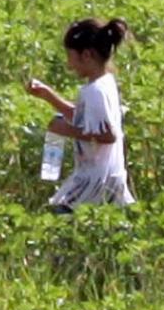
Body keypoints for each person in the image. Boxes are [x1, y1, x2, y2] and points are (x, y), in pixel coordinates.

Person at [26, 18, 137, 212]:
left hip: (96, 182)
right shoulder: (104, 83)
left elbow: (108, 135)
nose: (69, 65)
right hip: (104, 178)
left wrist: (67, 130)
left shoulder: (96, 91)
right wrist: (48, 96)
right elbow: (85, 119)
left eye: (71, 57)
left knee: (60, 221)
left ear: (86, 55)